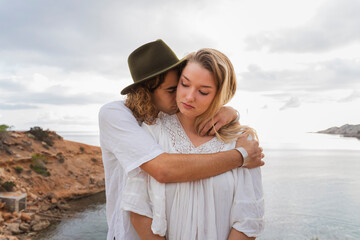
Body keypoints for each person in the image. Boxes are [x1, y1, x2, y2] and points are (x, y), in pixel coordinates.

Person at [98, 40, 264, 240]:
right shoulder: (120, 116)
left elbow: (249, 219)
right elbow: (162, 171)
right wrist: (241, 156)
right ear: (145, 93)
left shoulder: (239, 136)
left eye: (203, 91)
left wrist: (230, 112)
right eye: (180, 86)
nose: (187, 97)